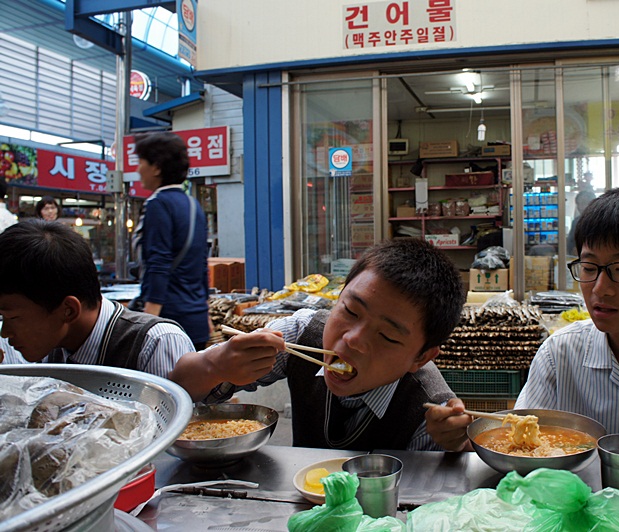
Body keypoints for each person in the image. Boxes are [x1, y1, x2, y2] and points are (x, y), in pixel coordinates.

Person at [426, 187, 619, 455]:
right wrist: (460, 441)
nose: (600, 288)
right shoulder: (559, 356)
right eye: (589, 267)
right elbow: (516, 444)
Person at [170, 238, 466, 451]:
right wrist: (216, 365)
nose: (353, 340)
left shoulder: (432, 412)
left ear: (422, 356)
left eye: (387, 336)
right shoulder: (301, 333)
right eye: (350, 311)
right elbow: (177, 391)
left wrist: (458, 446)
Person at [0, 219, 195, 378]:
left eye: (12, 318)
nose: (5, 333)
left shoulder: (155, 344)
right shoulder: (33, 348)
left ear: (68, 310)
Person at [132, 131, 210, 351]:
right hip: (196, 318)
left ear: (156, 167)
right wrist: (205, 314)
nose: (138, 169)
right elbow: (201, 263)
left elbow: (159, 262)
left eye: (141, 162)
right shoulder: (194, 205)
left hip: (167, 320)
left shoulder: (157, 203)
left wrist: (148, 322)